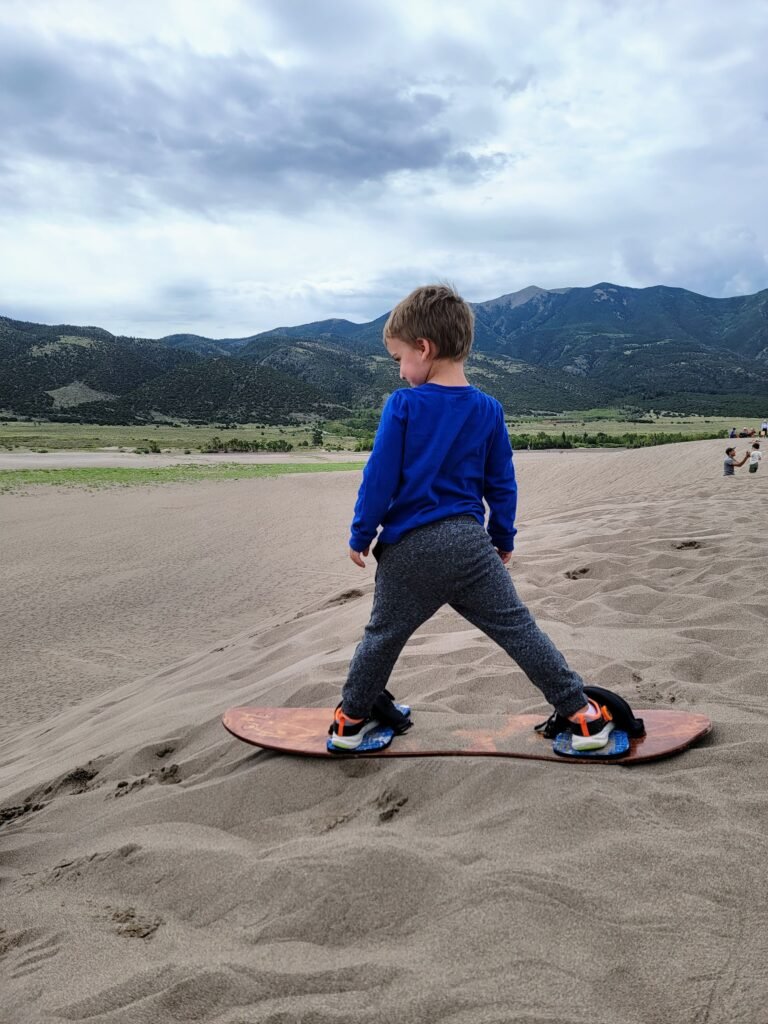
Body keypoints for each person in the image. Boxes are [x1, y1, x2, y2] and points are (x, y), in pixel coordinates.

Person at [329, 284, 614, 753]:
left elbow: (379, 478)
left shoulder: (402, 405)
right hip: (469, 546)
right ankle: (581, 715)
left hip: (409, 550)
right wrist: (503, 537)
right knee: (519, 630)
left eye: (399, 357)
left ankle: (350, 721)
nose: (400, 370)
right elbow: (501, 483)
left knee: (382, 637)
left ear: (425, 348)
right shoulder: (488, 409)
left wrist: (361, 533)